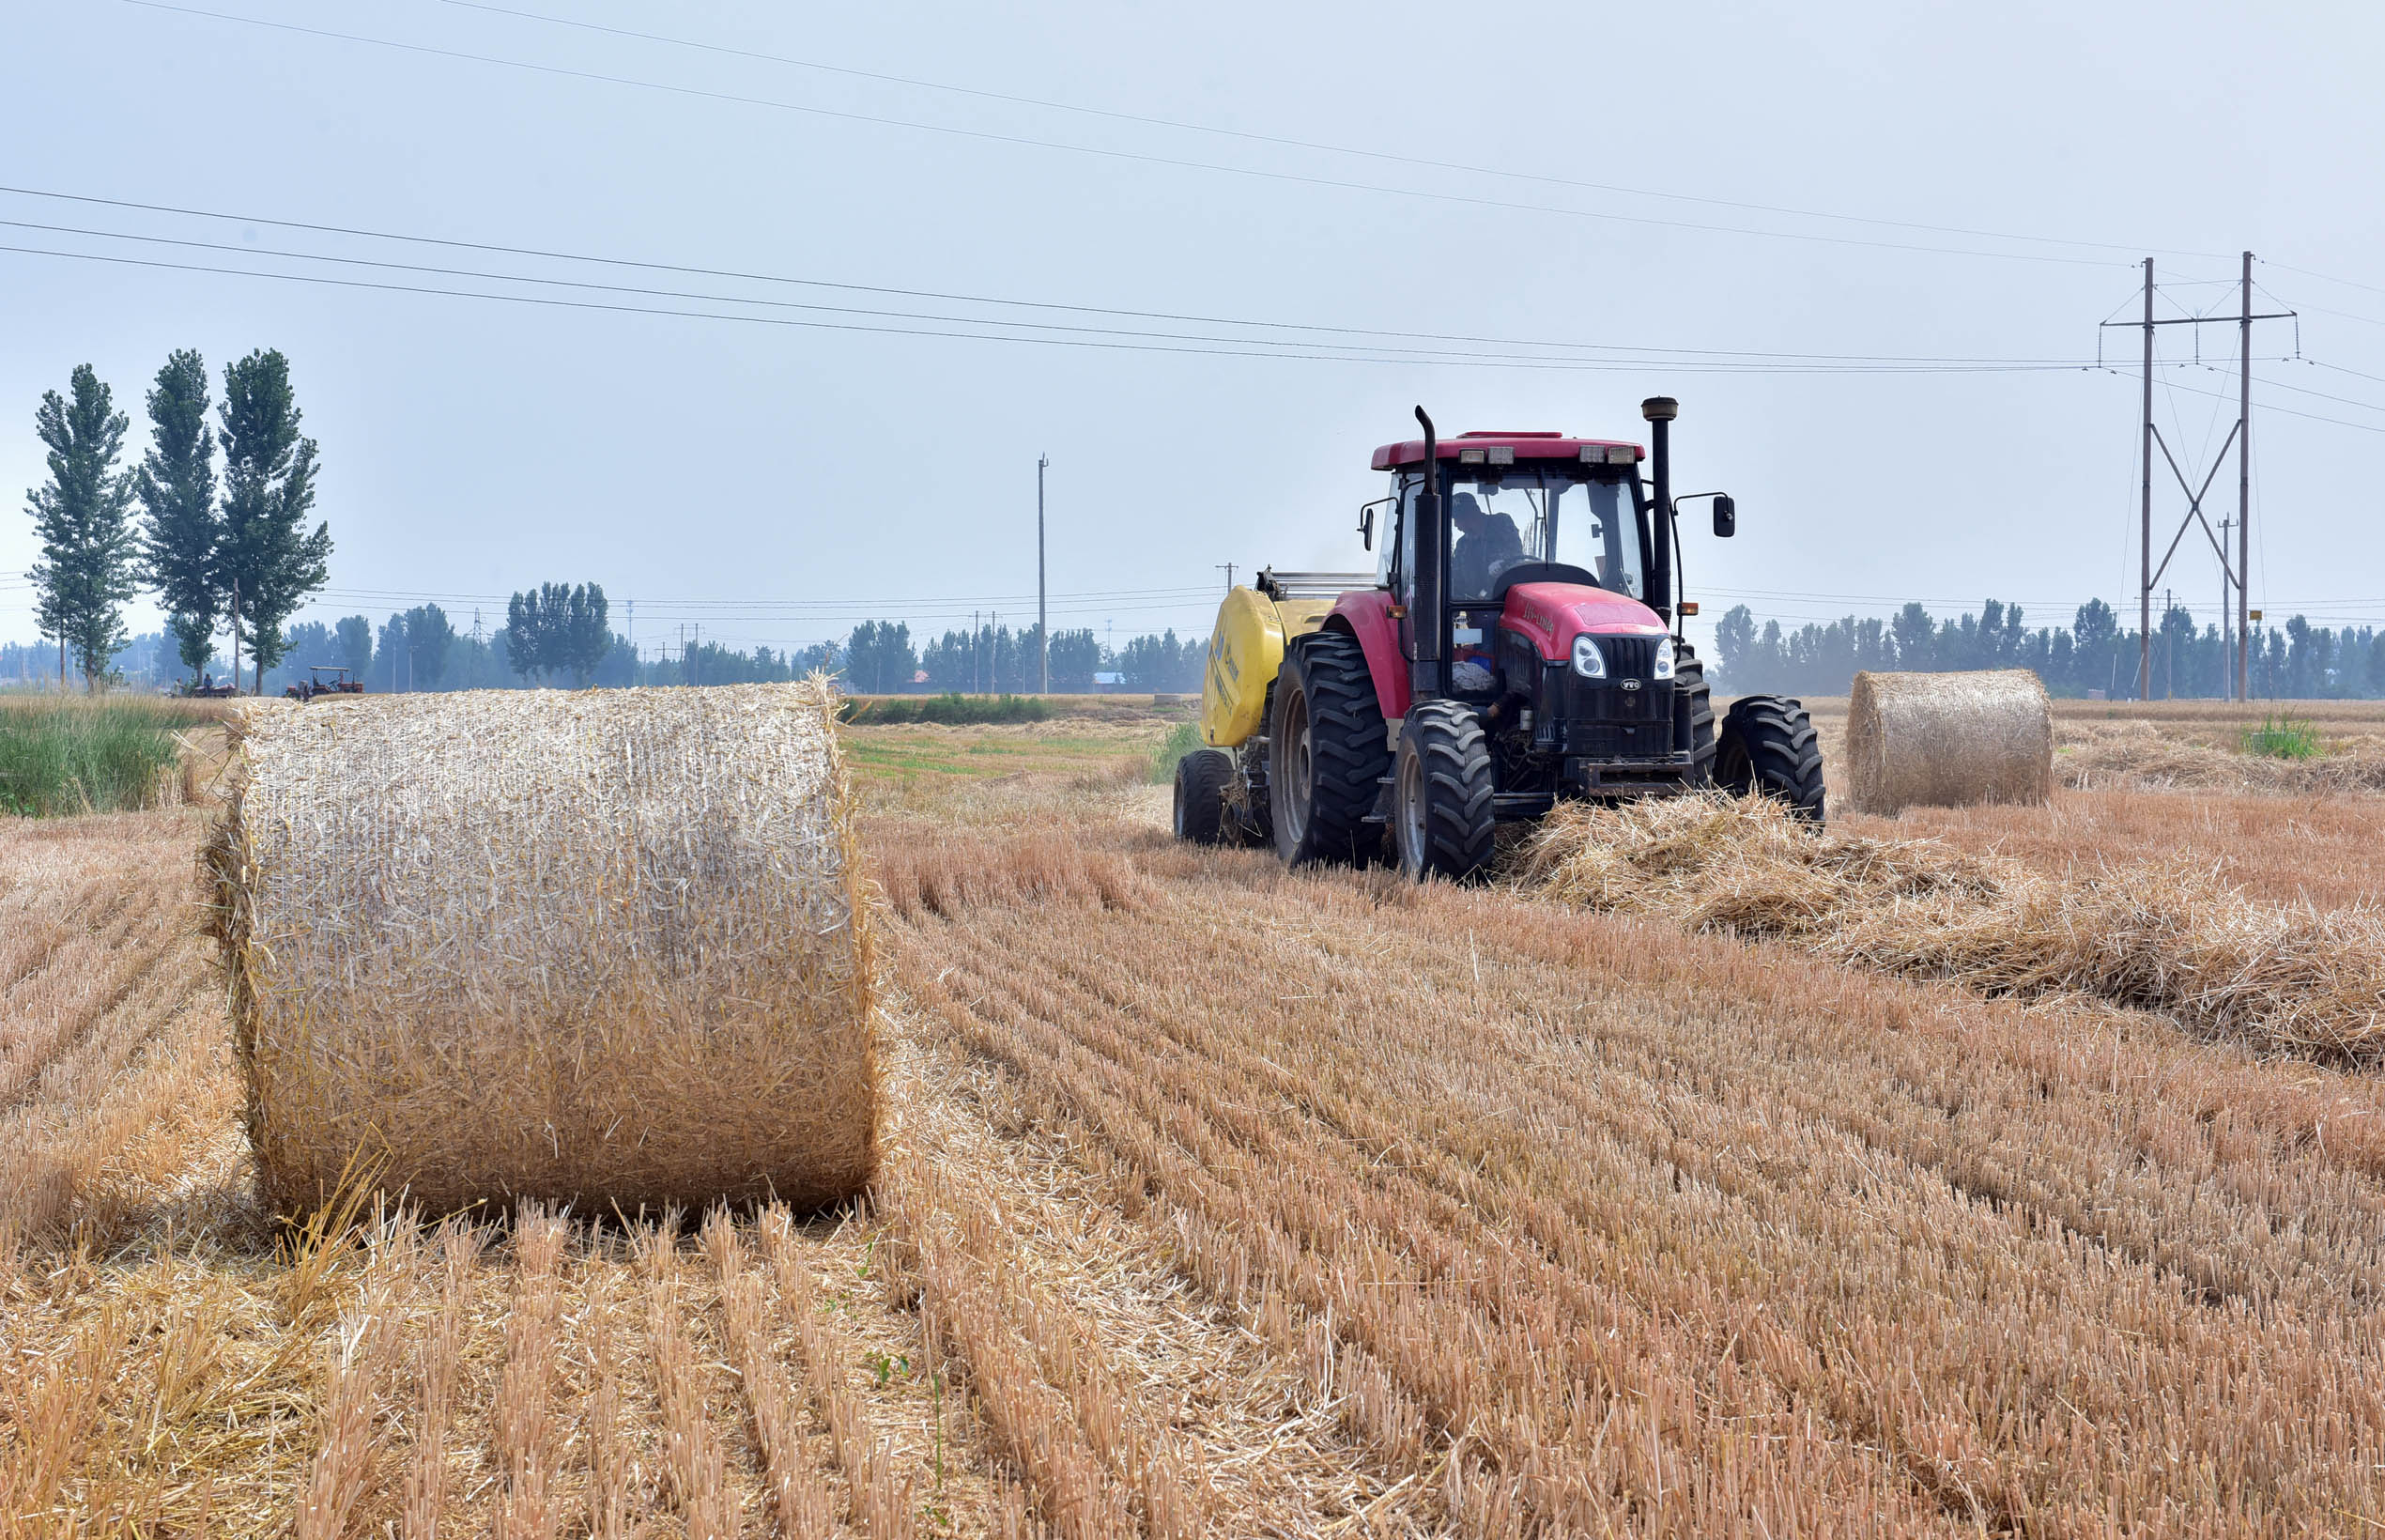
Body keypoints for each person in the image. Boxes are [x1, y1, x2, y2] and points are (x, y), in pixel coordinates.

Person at [1448, 492, 1525, 598]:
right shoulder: (1462, 545)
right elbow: (1456, 579)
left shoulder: (1501, 524)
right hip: (1475, 605)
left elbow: (1516, 555)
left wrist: (1503, 564)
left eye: (1459, 518)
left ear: (1474, 513)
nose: (1456, 524)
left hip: (1505, 599)